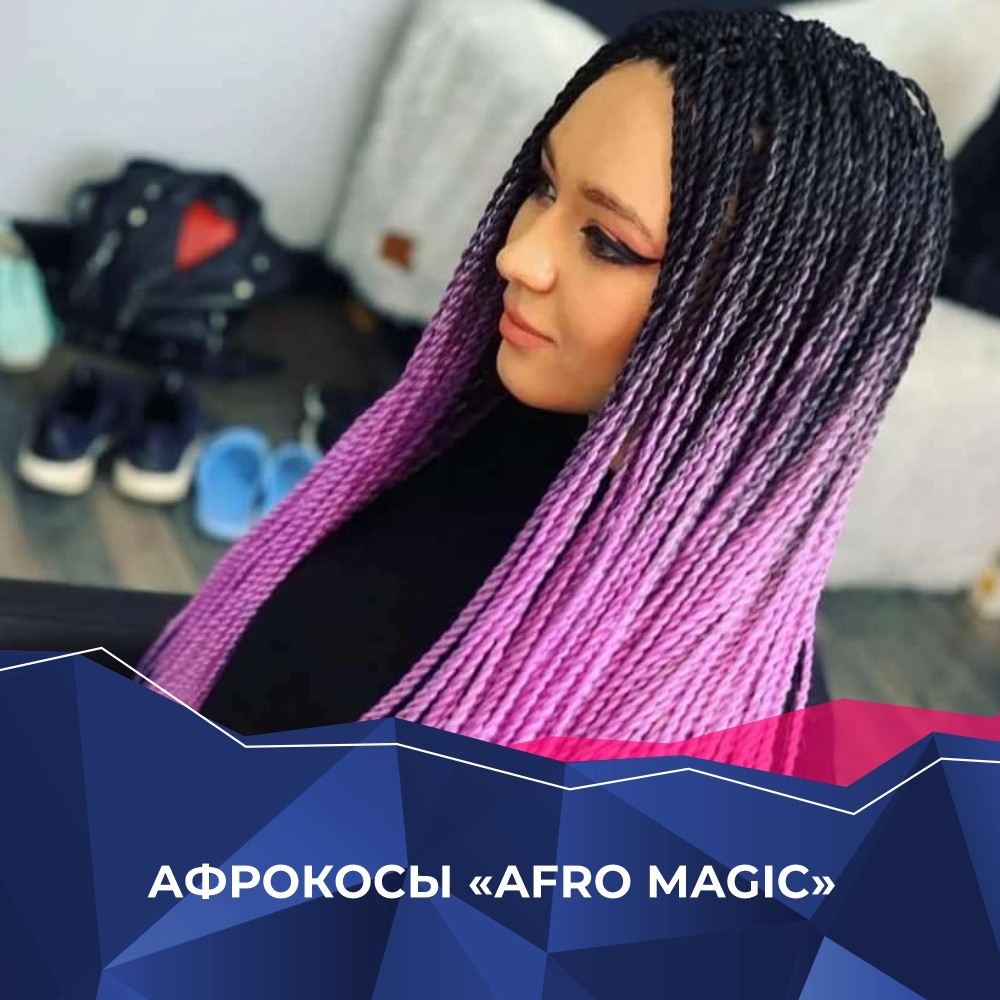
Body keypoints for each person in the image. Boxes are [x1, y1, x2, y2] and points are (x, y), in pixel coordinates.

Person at [140, 9, 950, 753]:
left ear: (772, 318)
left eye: (608, 242)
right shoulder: (459, 431)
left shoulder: (715, 721)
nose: (515, 255)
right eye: (544, 187)